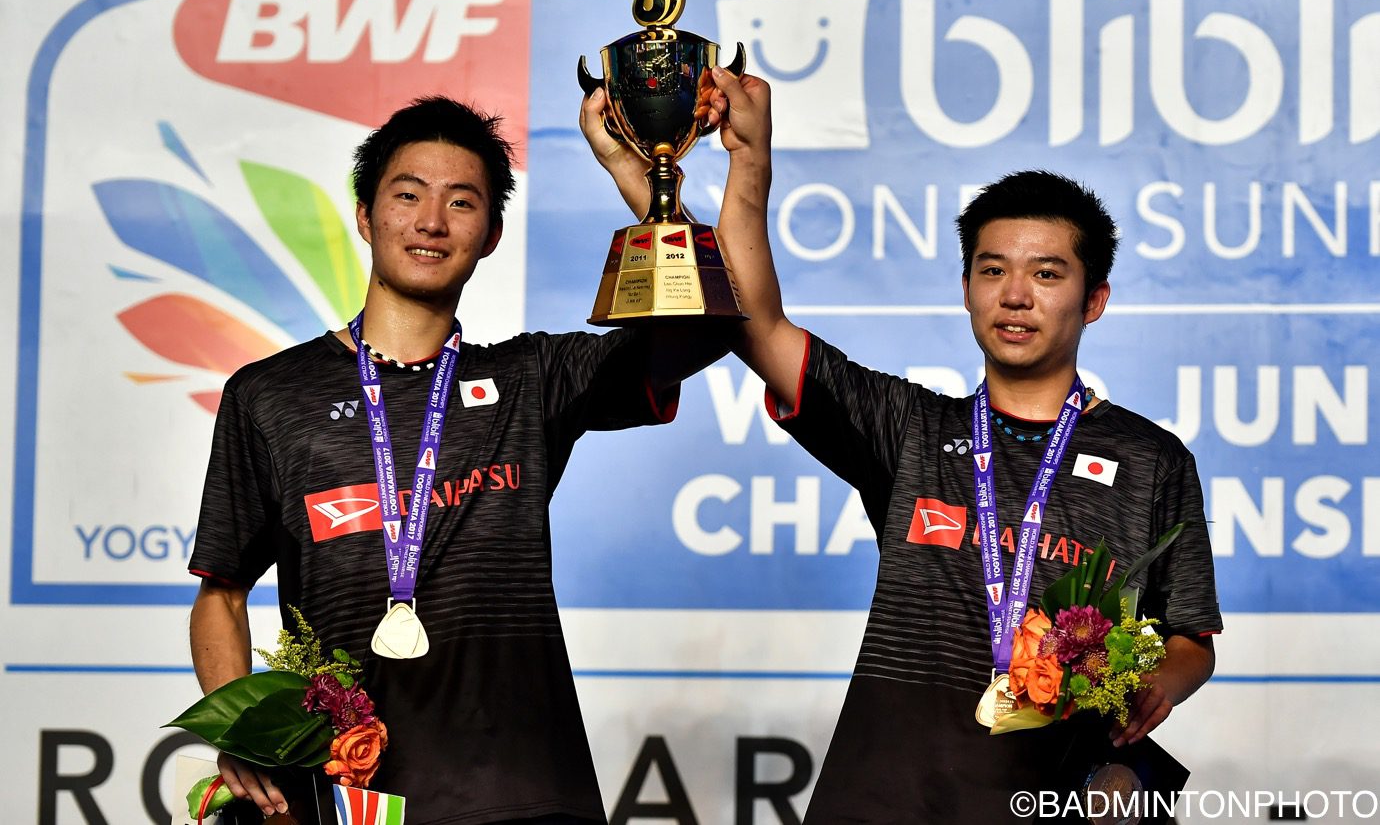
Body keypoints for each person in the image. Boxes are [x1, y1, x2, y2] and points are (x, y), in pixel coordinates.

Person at [598, 70, 1222, 822]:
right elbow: (755, 323)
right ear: (966, 288)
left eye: (1047, 274)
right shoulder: (911, 430)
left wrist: (1155, 682)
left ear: (1094, 300)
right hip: (880, 802)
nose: (1015, 295)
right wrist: (744, 162)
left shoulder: (1151, 460)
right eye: (992, 270)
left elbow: (1191, 637)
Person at [187, 94, 736, 823]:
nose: (431, 222)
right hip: (348, 796)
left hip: (524, 795)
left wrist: (636, 174)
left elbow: (707, 327)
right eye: (407, 195)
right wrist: (239, 733)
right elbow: (221, 595)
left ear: (491, 235)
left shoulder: (532, 379)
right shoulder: (269, 395)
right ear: (365, 215)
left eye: (461, 202)